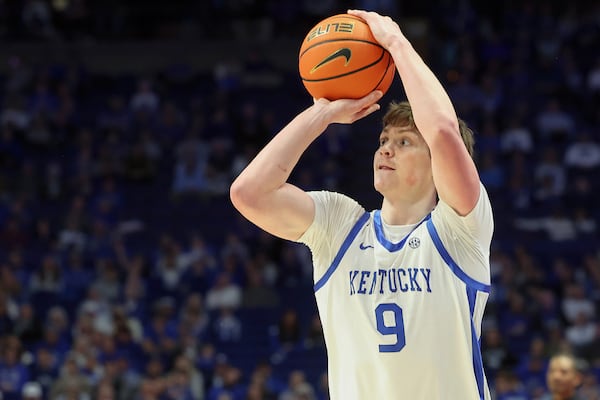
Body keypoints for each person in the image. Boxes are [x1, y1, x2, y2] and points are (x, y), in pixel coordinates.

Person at [230, 9, 494, 400]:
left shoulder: (460, 228)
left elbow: (441, 130)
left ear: (437, 164)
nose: (386, 148)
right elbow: (249, 193)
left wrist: (397, 44)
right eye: (384, 140)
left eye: (404, 142)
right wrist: (320, 114)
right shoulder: (340, 225)